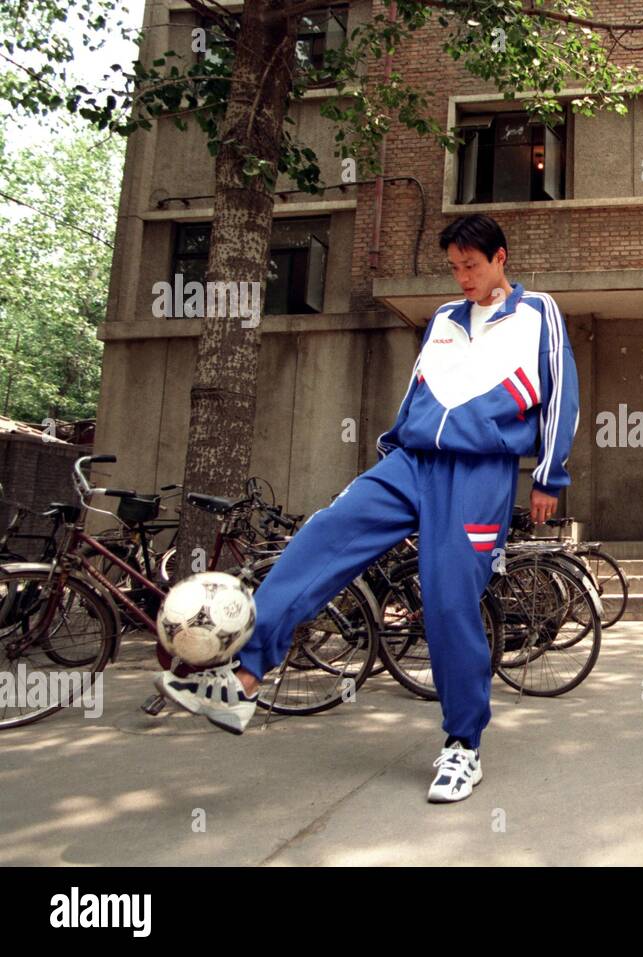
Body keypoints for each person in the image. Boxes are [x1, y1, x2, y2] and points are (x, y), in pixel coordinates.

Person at [154, 213, 580, 804]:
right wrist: (390, 453)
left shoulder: (539, 312)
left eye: (472, 266)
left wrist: (547, 475)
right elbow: (418, 388)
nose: (461, 277)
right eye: (454, 267)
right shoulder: (445, 320)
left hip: (479, 472)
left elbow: (561, 392)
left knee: (449, 599)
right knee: (321, 537)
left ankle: (463, 747)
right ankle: (244, 679)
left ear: (500, 259)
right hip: (410, 463)